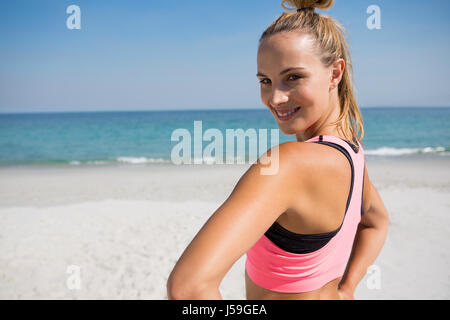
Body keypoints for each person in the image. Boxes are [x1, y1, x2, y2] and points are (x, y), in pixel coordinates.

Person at [167, 0, 389, 300]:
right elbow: (376, 221)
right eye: (265, 81)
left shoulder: (288, 164)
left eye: (293, 77)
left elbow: (188, 288)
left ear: (335, 73)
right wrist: (347, 288)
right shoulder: (352, 153)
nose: (276, 97)